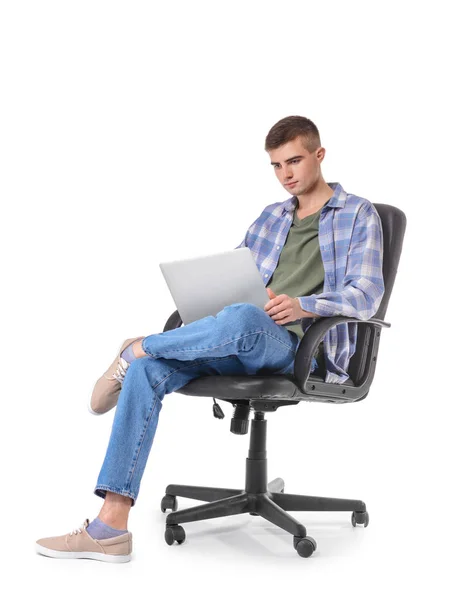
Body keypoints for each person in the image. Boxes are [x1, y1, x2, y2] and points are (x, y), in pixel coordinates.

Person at [35, 116, 385, 562]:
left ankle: (135, 346)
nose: (286, 174)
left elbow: (367, 294)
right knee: (149, 371)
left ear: (319, 155)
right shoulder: (270, 216)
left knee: (239, 318)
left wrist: (303, 305)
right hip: (240, 338)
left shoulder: (358, 214)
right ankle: (110, 526)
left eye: (294, 161)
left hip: (300, 350)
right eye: (276, 165)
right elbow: (236, 281)